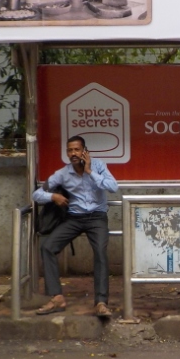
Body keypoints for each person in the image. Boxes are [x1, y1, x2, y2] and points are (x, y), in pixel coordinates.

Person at [33, 135, 118, 317]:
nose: (73, 153)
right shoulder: (63, 174)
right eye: (70, 150)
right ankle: (57, 297)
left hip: (97, 217)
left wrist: (90, 172)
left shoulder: (98, 166)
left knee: (101, 253)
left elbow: (113, 186)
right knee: (47, 247)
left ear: (85, 151)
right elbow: (37, 194)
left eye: (77, 149)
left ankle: (101, 302)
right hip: (74, 218)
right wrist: (52, 197)